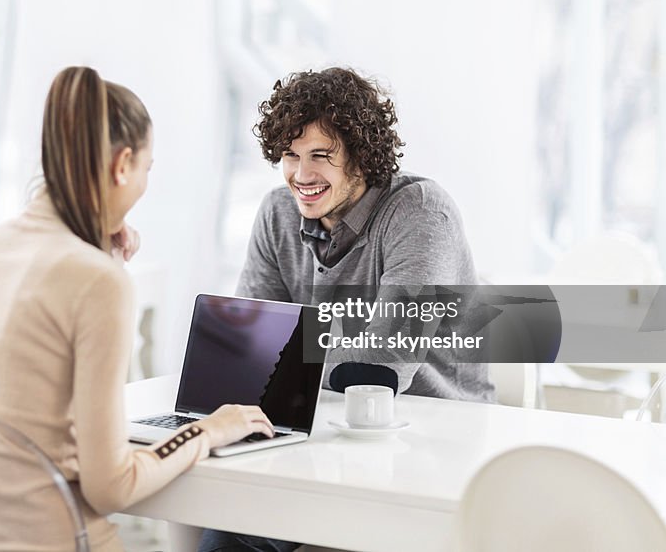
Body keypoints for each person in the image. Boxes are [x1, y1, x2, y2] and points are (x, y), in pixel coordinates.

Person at [0, 66, 275, 552]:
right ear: (122, 165)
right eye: (147, 168)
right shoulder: (100, 282)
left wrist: (98, 249)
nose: (143, 184)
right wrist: (209, 429)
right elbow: (110, 485)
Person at [198, 66, 492, 552]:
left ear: (362, 154)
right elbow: (248, 356)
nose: (302, 175)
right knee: (229, 518)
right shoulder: (277, 214)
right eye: (291, 156)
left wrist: (283, 359)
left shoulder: (419, 212)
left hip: (428, 447)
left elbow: (378, 370)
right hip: (318, 436)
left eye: (321, 155)